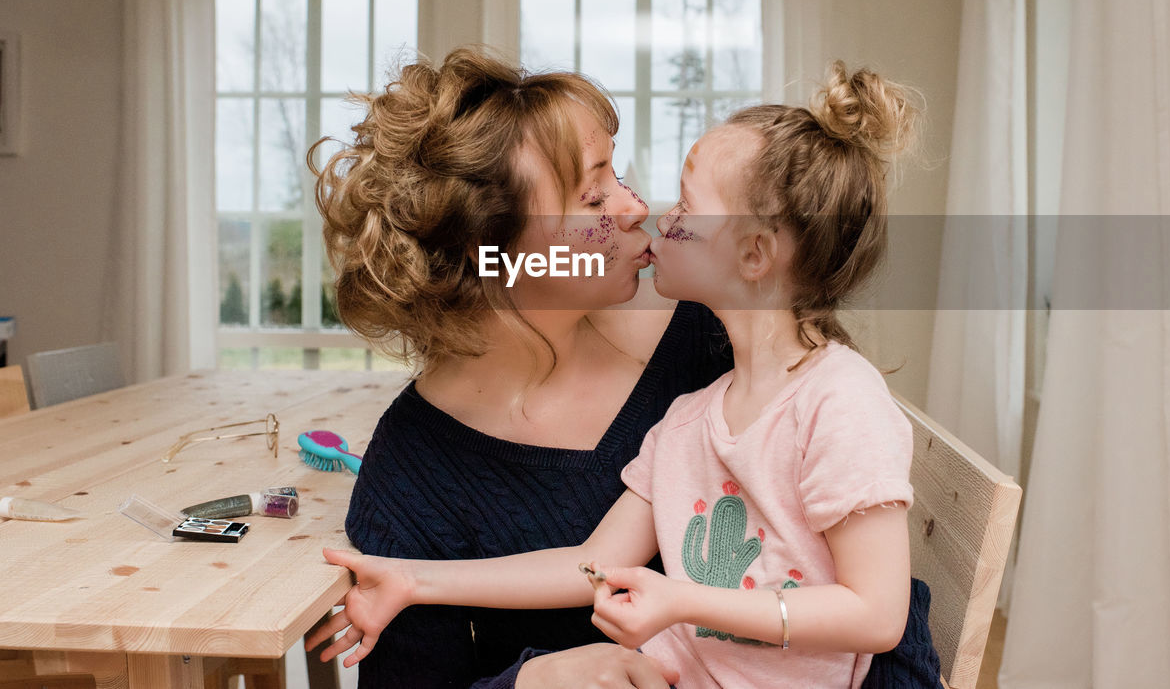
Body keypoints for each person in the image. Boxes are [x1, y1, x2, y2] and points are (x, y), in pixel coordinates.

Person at [308, 59, 936, 689]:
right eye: (593, 196)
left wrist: (684, 604)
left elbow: (878, 611)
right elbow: (592, 563)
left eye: (623, 177)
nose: (640, 208)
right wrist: (524, 677)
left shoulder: (746, 352)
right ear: (496, 254)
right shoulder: (418, 468)